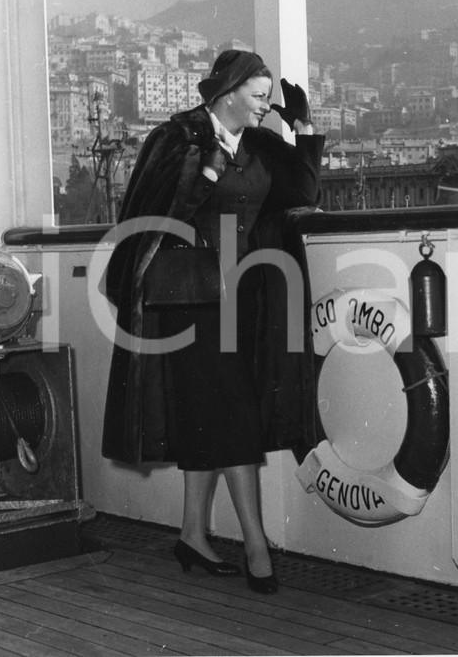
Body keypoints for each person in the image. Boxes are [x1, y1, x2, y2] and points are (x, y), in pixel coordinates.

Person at [101, 50, 324, 595]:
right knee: (235, 419)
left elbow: (303, 192)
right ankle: (256, 546)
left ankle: (193, 536)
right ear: (226, 93)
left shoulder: (256, 141)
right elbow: (151, 215)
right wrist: (205, 171)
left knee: (212, 417)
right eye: (258, 94)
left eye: (269, 95)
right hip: (191, 301)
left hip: (244, 297)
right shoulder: (177, 138)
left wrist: (302, 127)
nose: (265, 104)